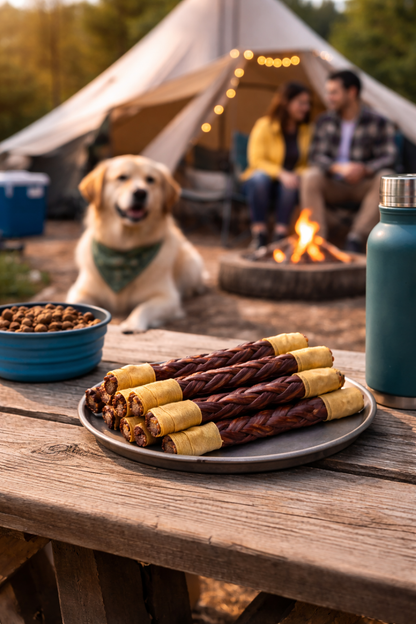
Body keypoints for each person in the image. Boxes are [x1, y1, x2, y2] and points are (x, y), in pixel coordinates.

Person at [301, 70, 397, 252]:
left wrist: (365, 169)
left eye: (334, 92)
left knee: (386, 177)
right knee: (309, 176)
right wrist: (335, 167)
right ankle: (316, 242)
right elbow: (315, 156)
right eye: (328, 92)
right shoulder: (324, 121)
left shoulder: (379, 121)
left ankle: (356, 238)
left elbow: (389, 156)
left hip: (364, 184)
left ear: (351, 92)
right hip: (334, 182)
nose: (329, 97)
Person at [241, 82, 312, 249]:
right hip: (261, 181)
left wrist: (295, 174)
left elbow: (308, 162)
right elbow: (256, 160)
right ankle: (260, 234)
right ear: (286, 102)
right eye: (301, 103)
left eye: (308, 103)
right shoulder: (264, 125)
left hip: (288, 183)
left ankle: (280, 235)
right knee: (259, 179)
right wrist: (281, 173)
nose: (306, 108)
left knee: (290, 184)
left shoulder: (307, 131)